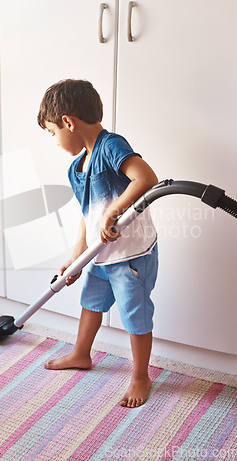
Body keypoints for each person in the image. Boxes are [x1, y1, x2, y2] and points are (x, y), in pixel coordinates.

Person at [37, 79, 158, 408]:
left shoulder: (111, 146)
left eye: (52, 133)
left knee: (135, 314)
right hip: (101, 257)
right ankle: (80, 353)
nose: (55, 141)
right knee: (90, 301)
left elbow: (146, 178)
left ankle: (140, 376)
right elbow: (88, 218)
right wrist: (76, 258)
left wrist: (115, 211)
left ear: (68, 122)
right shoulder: (77, 168)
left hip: (131, 257)